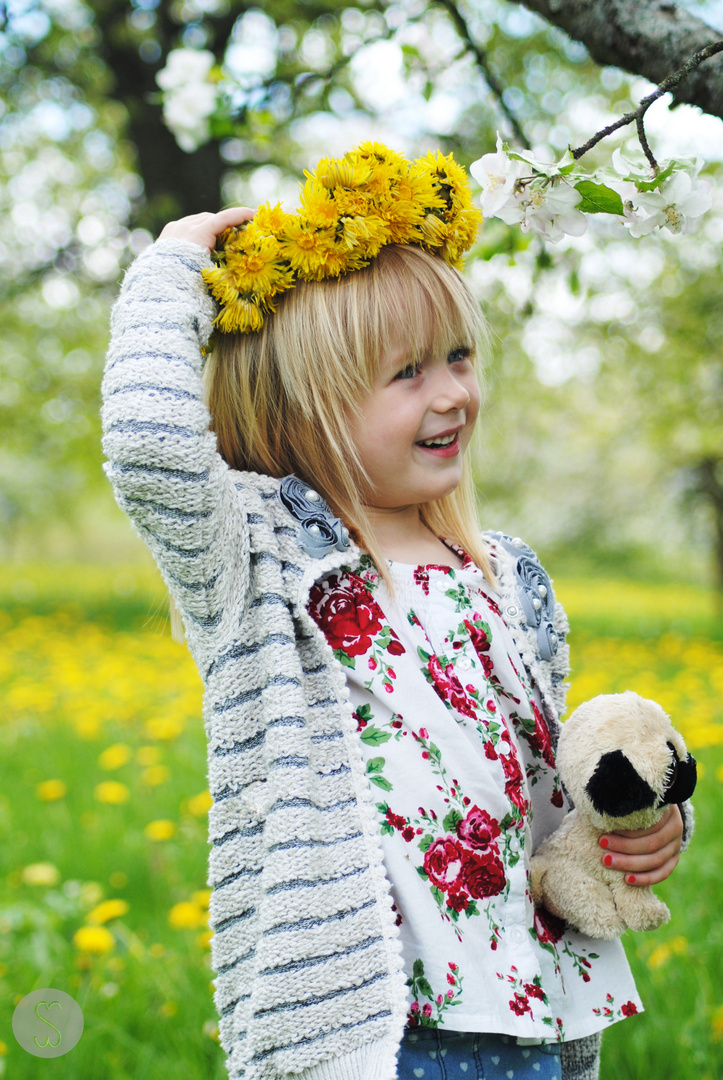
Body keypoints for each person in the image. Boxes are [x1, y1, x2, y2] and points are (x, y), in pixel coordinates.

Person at [100, 144, 690, 1080]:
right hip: (368, 1029)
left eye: (456, 356)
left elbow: (537, 789)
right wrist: (174, 271)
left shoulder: (502, 572)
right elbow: (146, 447)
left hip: (523, 1009)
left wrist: (626, 831)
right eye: (406, 372)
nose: (454, 390)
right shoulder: (260, 564)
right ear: (303, 404)